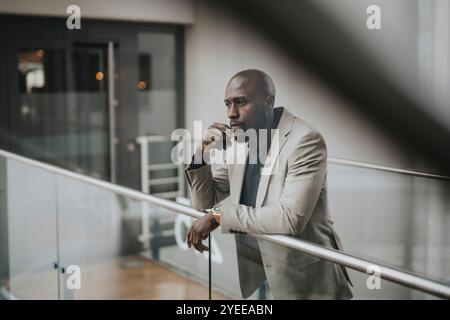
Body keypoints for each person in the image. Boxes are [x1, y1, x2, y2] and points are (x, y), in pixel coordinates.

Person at [185, 69, 353, 299]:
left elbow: (289, 219)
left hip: (305, 278)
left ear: (269, 102)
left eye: (241, 102)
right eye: (228, 104)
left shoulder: (304, 140)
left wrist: (218, 216)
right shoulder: (240, 140)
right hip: (259, 269)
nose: (231, 113)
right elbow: (204, 201)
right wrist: (202, 153)